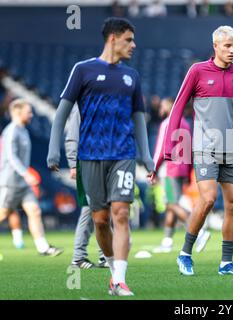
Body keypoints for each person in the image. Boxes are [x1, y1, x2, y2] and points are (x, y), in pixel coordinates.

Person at [47, 18, 156, 296]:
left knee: (121, 213)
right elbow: (61, 115)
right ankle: (112, 270)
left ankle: (120, 279)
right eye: (129, 39)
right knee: (100, 220)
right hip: (90, 156)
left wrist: (146, 155)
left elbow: (139, 118)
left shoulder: (132, 76)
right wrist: (54, 149)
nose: (134, 45)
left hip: (123, 154)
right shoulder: (83, 70)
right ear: (113, 39)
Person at [159, 26, 233, 276]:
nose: (232, 50)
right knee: (208, 199)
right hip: (205, 149)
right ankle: (185, 254)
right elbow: (178, 107)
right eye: (227, 45)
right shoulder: (197, 71)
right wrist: (168, 147)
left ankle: (226, 263)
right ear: (215, 46)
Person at [0, 99, 63, 257]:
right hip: (10, 183)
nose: (31, 115)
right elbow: (11, 157)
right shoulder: (11, 131)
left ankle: (43, 247)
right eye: (28, 112)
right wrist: (26, 173)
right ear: (18, 112)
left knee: (34, 211)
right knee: (2, 214)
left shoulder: (23, 130)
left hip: (23, 184)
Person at [152, 97, 211, 254]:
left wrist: (153, 169)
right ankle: (167, 241)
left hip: (171, 169)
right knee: (173, 204)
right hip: (182, 168)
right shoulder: (185, 123)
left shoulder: (167, 123)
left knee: (171, 204)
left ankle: (200, 232)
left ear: (169, 106)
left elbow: (160, 149)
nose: (160, 108)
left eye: (163, 105)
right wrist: (188, 170)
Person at [65, 107, 108, 269]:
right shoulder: (81, 106)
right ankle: (80, 256)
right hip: (86, 163)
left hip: (102, 162)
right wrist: (72, 163)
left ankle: (101, 255)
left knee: (98, 209)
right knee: (91, 209)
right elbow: (72, 137)